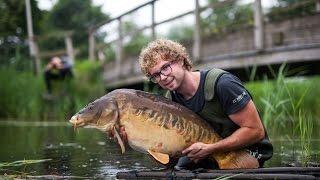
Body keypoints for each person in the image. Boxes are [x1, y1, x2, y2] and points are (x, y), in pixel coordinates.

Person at [118, 39, 273, 170]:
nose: (163, 77)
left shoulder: (222, 84)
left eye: (165, 67)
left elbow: (256, 131)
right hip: (204, 152)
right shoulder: (170, 101)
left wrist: (211, 149)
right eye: (156, 75)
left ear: (180, 60)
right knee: (178, 170)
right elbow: (169, 161)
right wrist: (137, 141)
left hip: (246, 150)